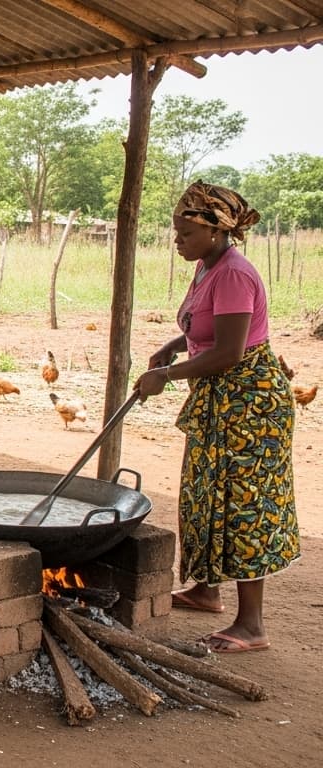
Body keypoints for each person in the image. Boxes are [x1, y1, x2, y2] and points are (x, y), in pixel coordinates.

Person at [133, 180, 298, 654]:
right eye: (176, 232)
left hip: (249, 404)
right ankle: (207, 591)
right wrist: (172, 345)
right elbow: (203, 328)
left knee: (244, 504)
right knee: (207, 493)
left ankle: (252, 626)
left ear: (213, 230)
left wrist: (167, 373)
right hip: (220, 400)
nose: (177, 241)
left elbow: (228, 351)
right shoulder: (208, 267)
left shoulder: (234, 274)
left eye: (185, 233)